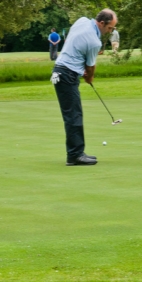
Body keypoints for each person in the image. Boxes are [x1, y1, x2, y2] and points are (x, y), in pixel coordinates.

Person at [51, 9, 117, 166]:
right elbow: (90, 66)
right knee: (74, 115)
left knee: (74, 113)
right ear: (101, 23)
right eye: (109, 28)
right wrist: (90, 77)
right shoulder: (94, 41)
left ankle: (77, 152)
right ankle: (74, 155)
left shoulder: (82, 20)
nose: (110, 31)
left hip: (62, 71)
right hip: (67, 75)